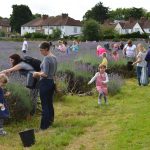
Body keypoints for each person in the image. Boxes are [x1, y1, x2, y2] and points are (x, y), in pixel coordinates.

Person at [33, 42, 57, 130]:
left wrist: (36, 73)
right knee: (50, 103)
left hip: (45, 83)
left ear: (46, 49)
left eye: (41, 50)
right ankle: (50, 122)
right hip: (51, 82)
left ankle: (44, 126)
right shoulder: (54, 57)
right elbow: (53, 72)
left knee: (45, 105)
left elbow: (45, 74)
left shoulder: (47, 58)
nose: (40, 52)